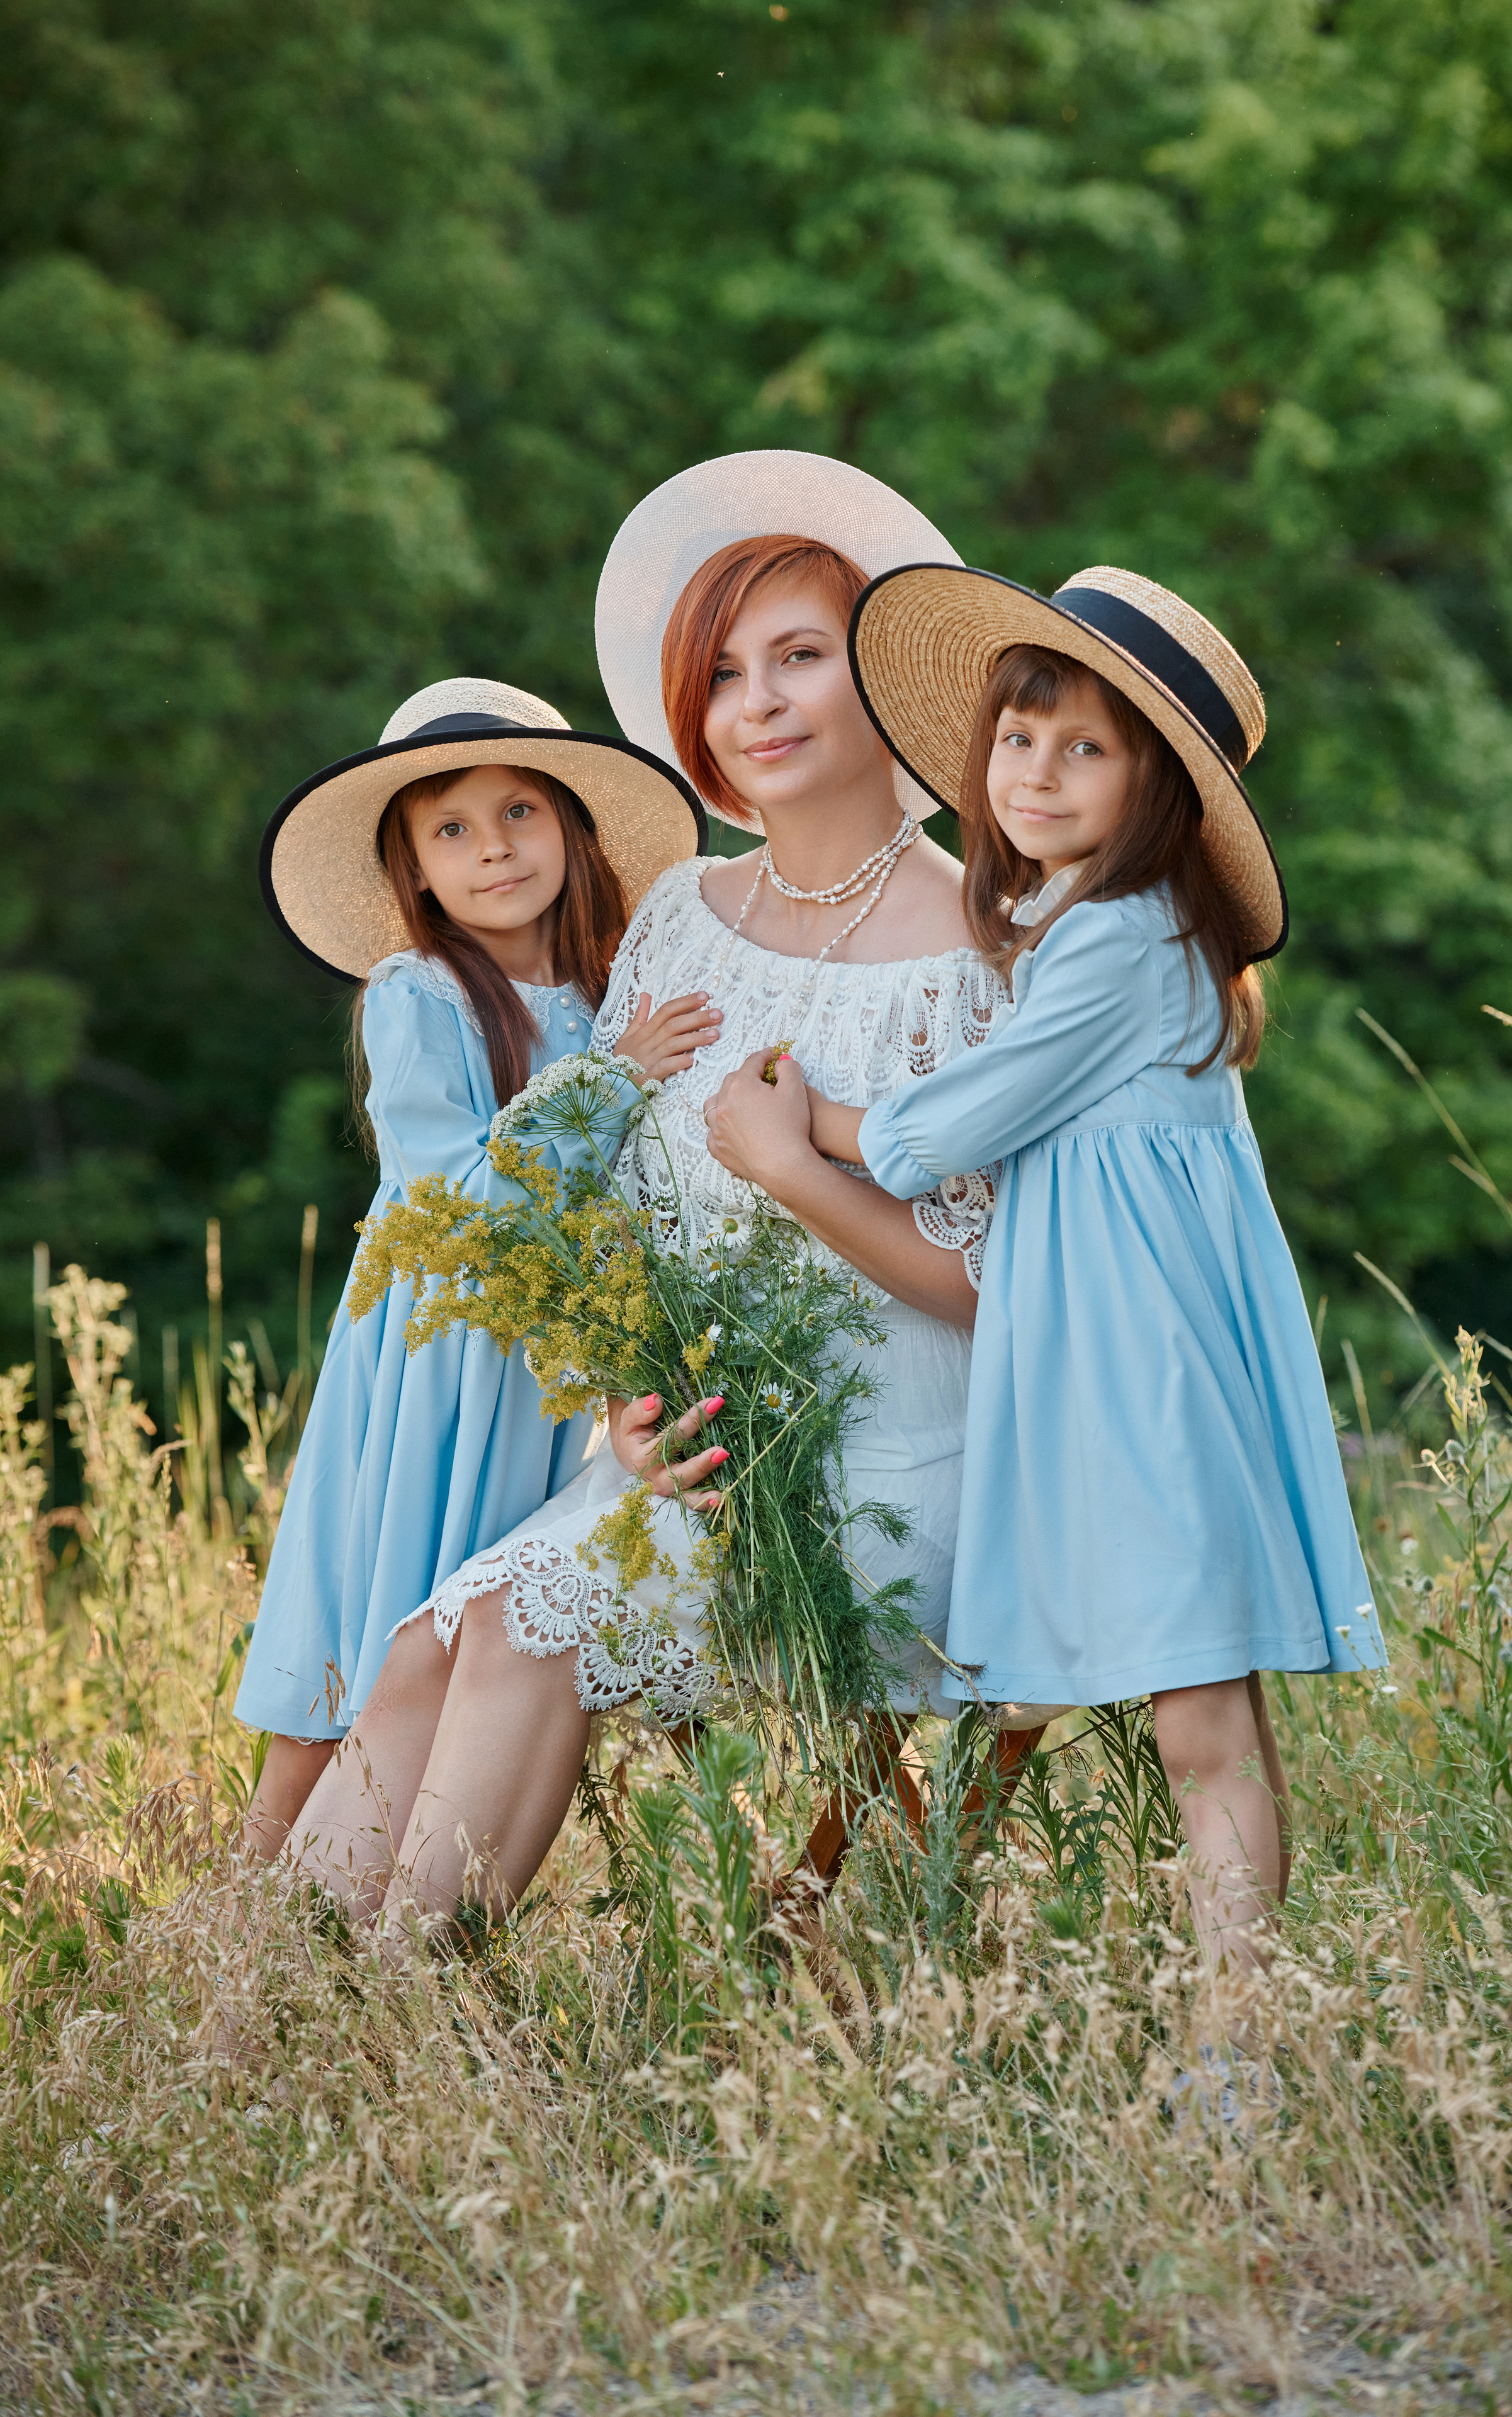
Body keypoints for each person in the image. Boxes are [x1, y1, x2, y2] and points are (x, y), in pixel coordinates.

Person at [280, 451, 1014, 1939]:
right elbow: (627, 1208)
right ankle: (284, 2022)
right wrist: (623, 1391)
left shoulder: (988, 944)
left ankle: (398, 2013)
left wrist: (798, 1170)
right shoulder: (681, 916)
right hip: (691, 1454)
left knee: (505, 1628)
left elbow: (1005, 1297)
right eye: (724, 674)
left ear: (880, 674)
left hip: (900, 1478)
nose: (759, 701)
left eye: (800, 655)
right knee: (427, 1643)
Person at [706, 561, 1387, 1980]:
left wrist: (803, 1129)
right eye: (1017, 738)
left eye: (1085, 748)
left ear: (1154, 792)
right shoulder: (1083, 927)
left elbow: (947, 1126)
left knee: (1202, 1723)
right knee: (1201, 1712)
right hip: (1121, 1366)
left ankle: (1233, 2056)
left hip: (1142, 1372)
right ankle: (1217, 2021)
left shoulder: (1123, 941)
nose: (1035, 771)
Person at [236, 677, 712, 1857]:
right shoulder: (419, 995)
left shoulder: (615, 1003)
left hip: (553, 1371)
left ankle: (413, 1898)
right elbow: (458, 1189)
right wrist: (615, 1082)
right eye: (451, 828)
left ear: (570, 827)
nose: (492, 849)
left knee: (481, 1632)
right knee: (381, 1603)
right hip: (440, 1354)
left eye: (519, 814)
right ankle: (242, 1914)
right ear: (414, 866)